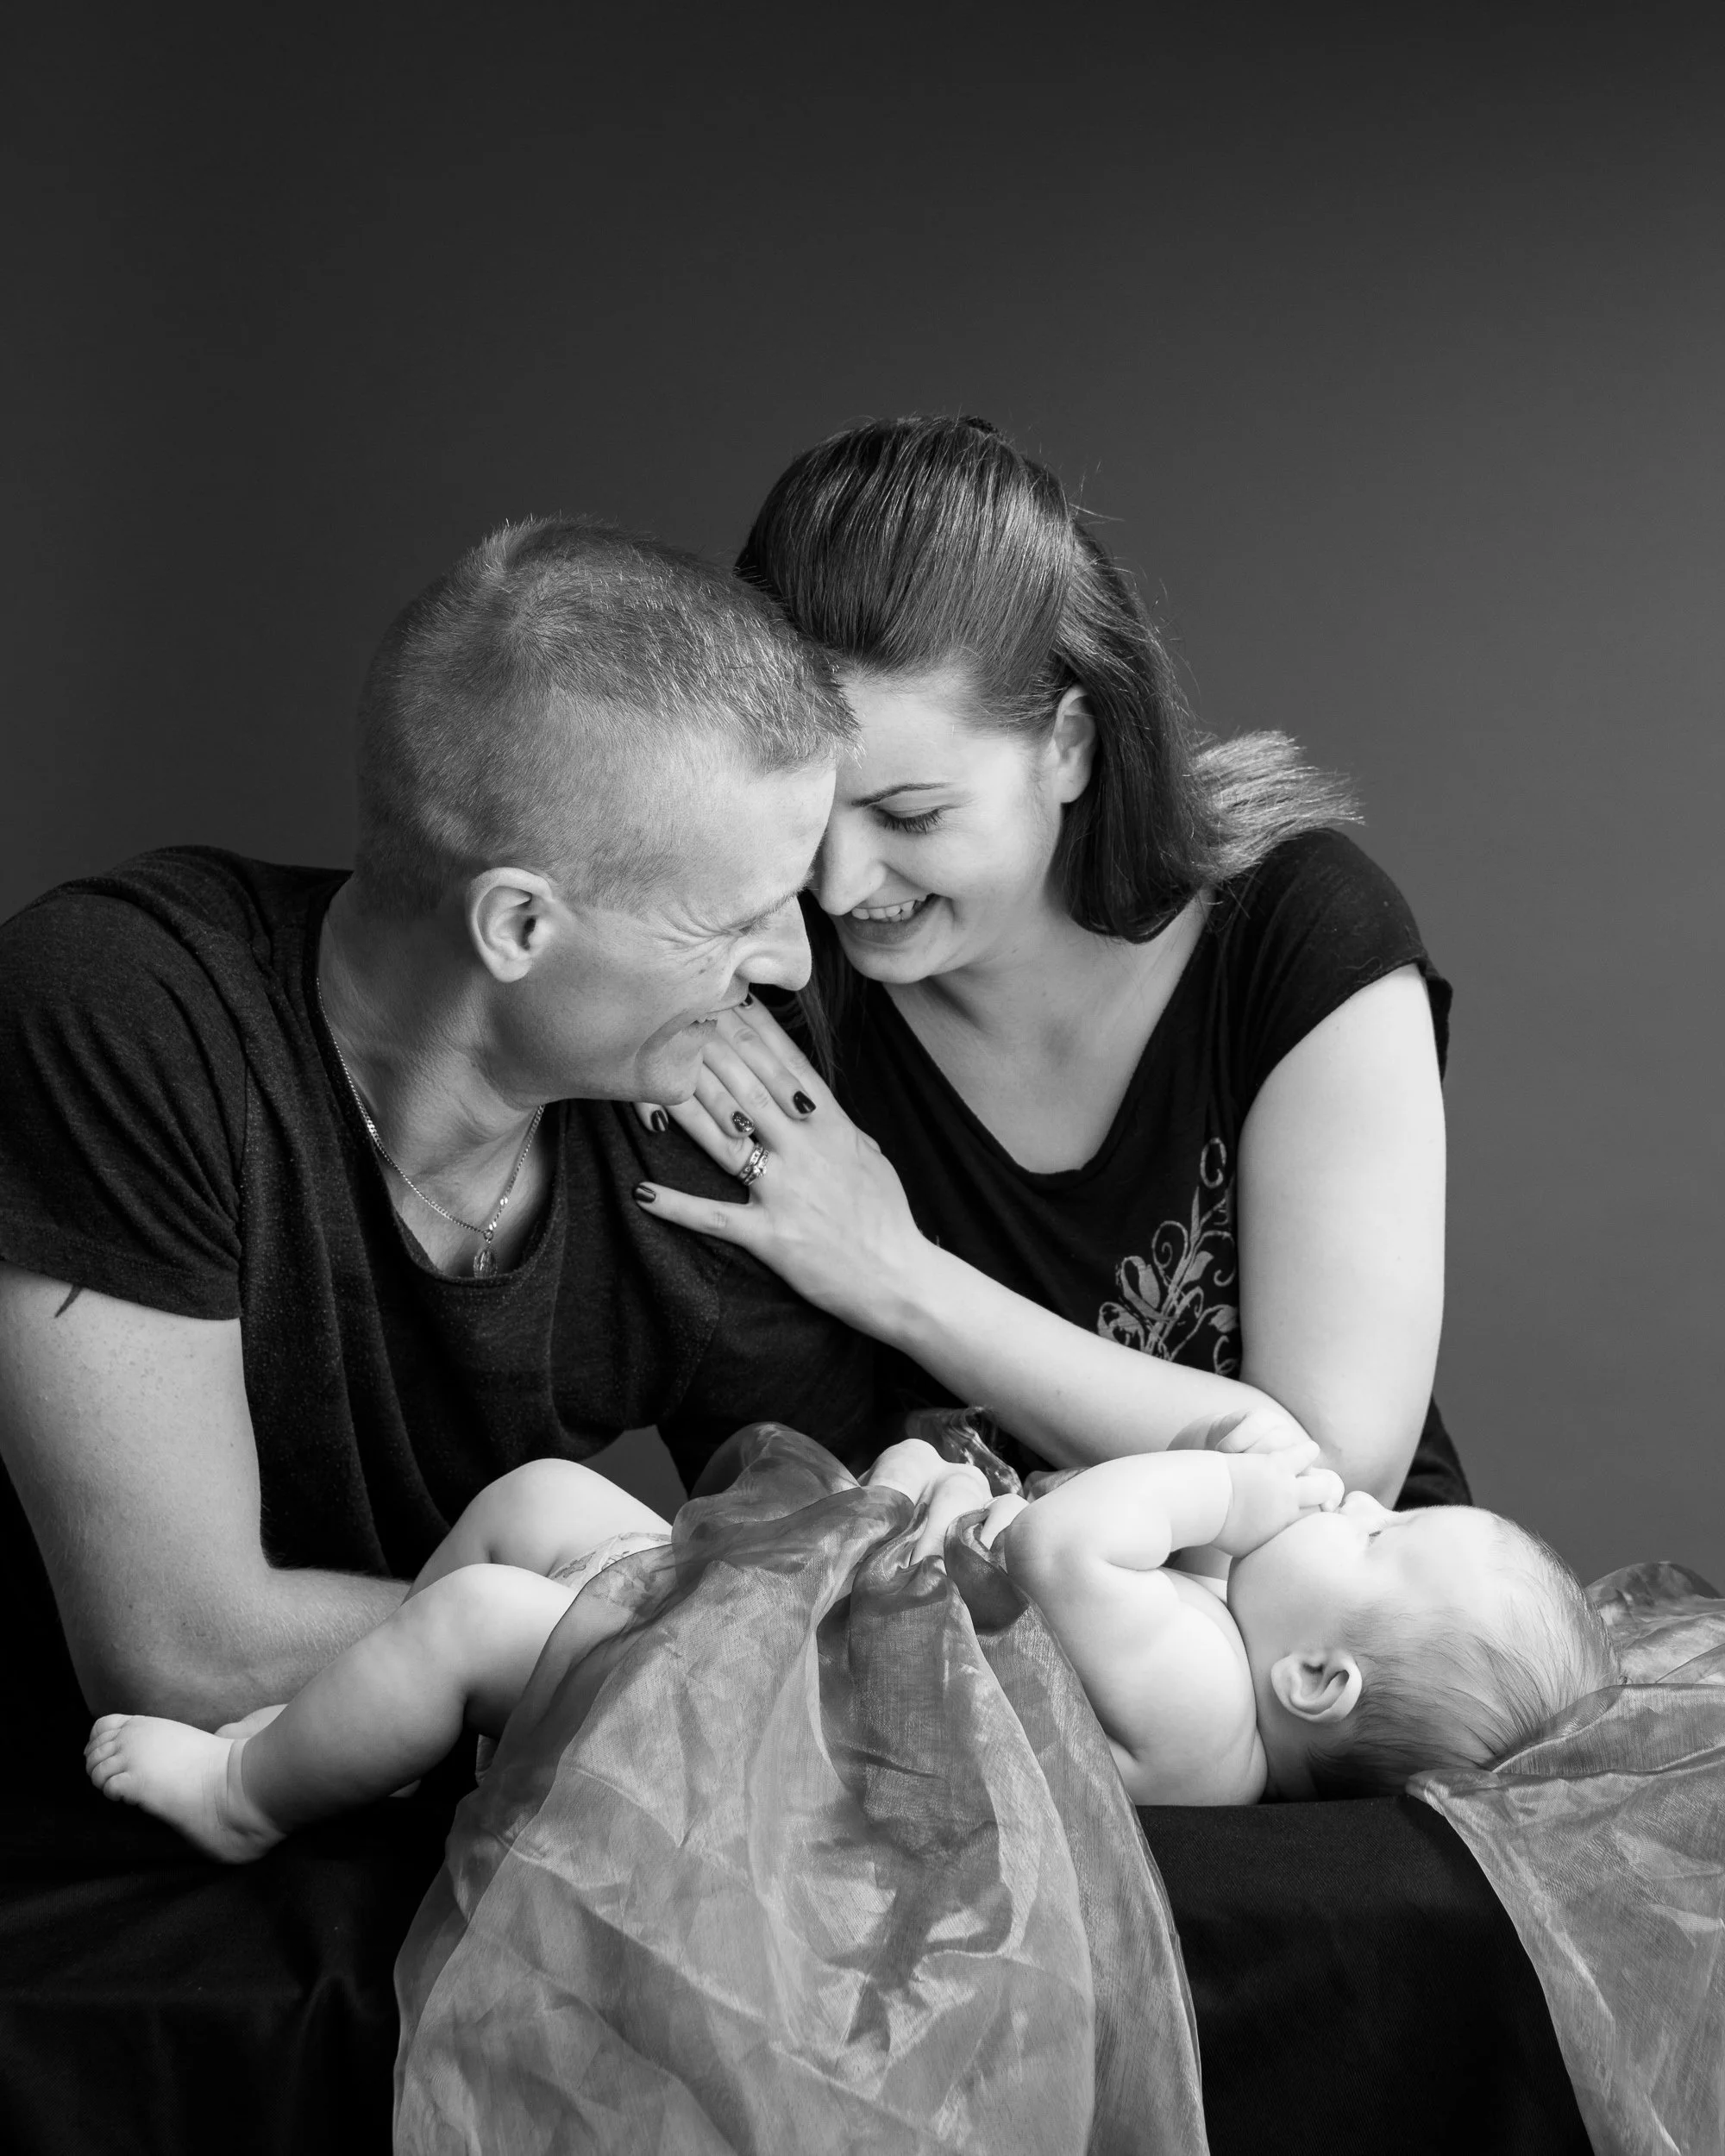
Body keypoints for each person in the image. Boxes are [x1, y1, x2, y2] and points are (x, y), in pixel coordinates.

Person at [0, 517, 883, 1748]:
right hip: (94, 1819)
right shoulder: (128, 1011)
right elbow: (183, 1656)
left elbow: (846, 1602)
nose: (791, 959)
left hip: (444, 1799)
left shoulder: (706, 1097)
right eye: (737, 919)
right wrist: (653, 1626)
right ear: (517, 927)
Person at [629, 415, 1461, 1510]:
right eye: (808, 817)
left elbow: (1331, 1477)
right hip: (949, 1668)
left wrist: (896, 1273)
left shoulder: (1297, 936)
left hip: (1327, 1654)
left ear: (1067, 743)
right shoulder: (770, 1004)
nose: (835, 889)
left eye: (910, 814)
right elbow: (791, 1524)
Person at [82, 1427, 1615, 1857]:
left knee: (488, 1611)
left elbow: (1071, 1543)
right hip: (787, 1650)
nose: (1350, 1499)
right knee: (547, 1503)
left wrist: (1223, 1482)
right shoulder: (1221, 1685)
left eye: (1375, 1533)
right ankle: (383, 1746)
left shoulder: (1209, 1690)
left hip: (758, 1721)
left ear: (1320, 1678)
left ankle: (252, 1799)